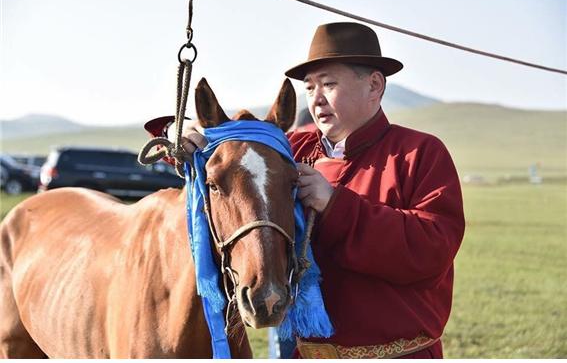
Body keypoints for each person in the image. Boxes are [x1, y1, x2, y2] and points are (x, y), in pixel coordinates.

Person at [144, 22, 465, 359]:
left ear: (374, 85)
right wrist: (180, 132)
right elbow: (228, 166)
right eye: (310, 88)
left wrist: (335, 205)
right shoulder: (290, 150)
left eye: (329, 84)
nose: (317, 99)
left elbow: (432, 248)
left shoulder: (419, 153)